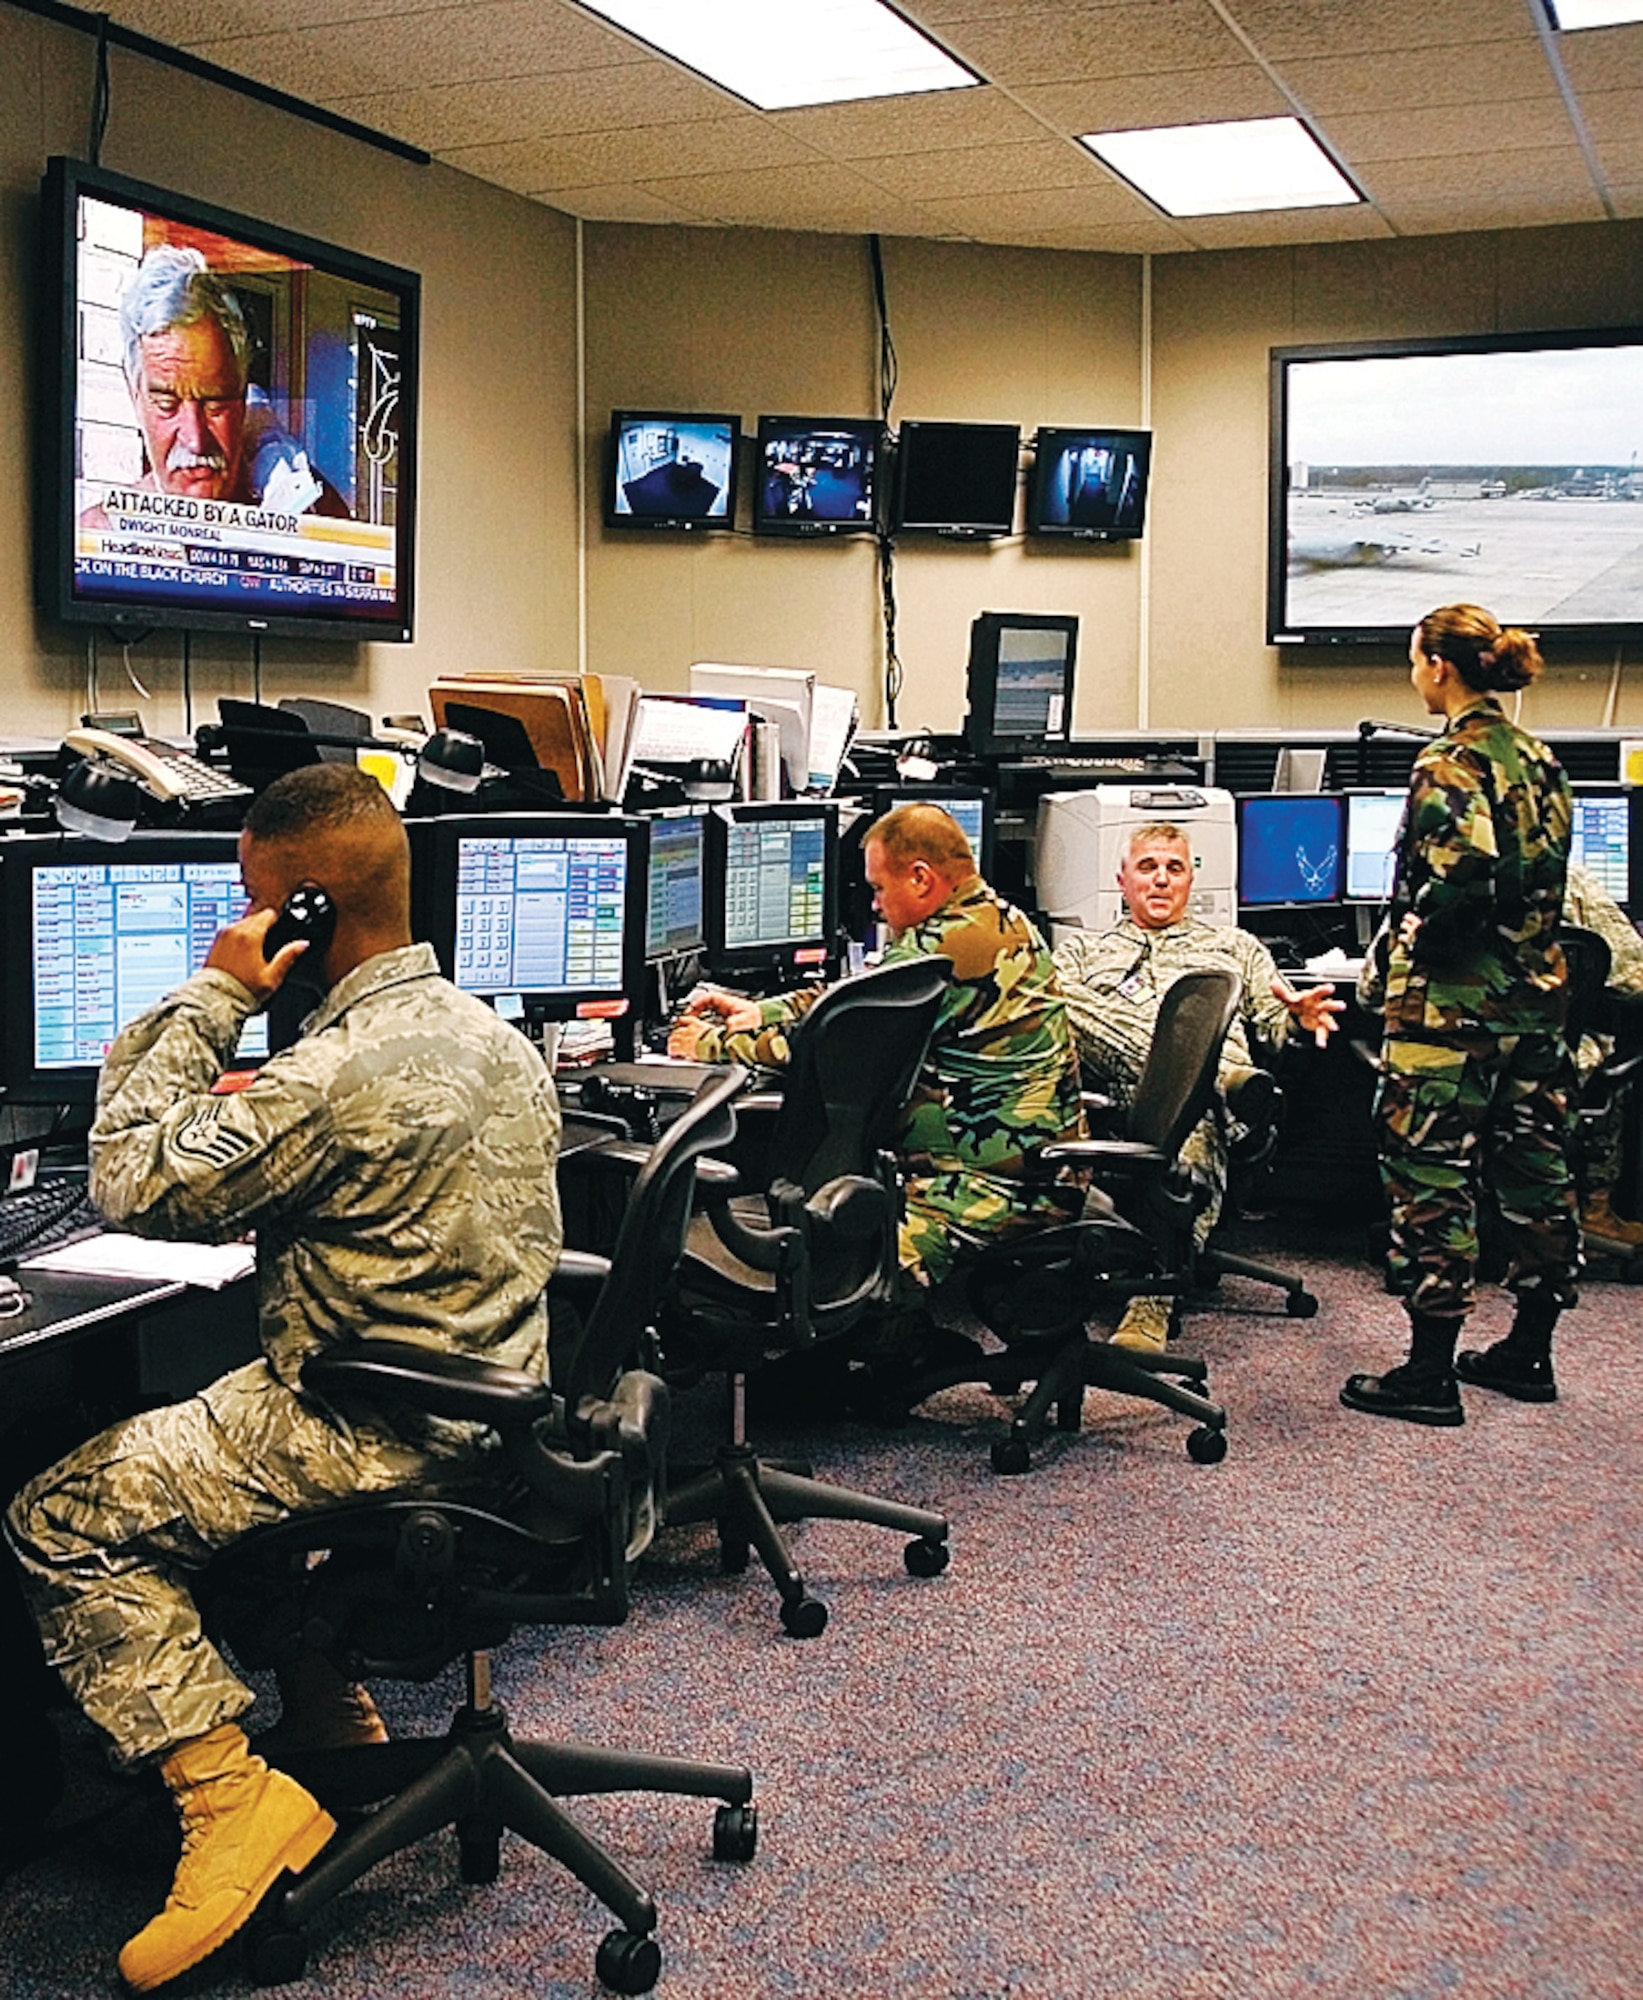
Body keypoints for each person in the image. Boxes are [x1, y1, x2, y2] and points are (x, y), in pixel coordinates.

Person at [5, 765, 561, 1992]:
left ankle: (229, 1797)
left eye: (259, 904)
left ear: (302, 912)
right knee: (188, 1411)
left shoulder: (332, 1073)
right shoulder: (494, 1039)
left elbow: (132, 1180)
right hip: (492, 1403)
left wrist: (213, 989)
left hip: (370, 1418)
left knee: (62, 1512)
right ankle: (326, 1707)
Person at [669, 803, 1086, 1375]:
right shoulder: (992, 919)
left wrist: (710, 1046)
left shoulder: (949, 948)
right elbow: (859, 994)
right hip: (1016, 1160)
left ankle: (891, 1349)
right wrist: (755, 1012)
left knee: (841, 1244)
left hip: (1001, 1186)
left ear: (920, 877)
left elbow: (834, 1047)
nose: (873, 904)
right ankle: (891, 1348)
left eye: (877, 887)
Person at [1341, 603, 1579, 1426]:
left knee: (1430, 1176)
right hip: (1534, 1005)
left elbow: (1461, 876)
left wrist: (1416, 927)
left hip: (1450, 1012)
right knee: (1536, 1170)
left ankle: (1428, 1372)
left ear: (1437, 668)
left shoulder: (1449, 761)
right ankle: (1528, 1350)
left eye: (1414, 659)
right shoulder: (1540, 759)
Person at [1052, 821, 1343, 1351]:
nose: (1161, 880)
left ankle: (1151, 1303)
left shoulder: (1235, 948)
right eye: (1147, 867)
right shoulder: (1080, 954)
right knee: (1054, 999)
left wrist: (1298, 1020)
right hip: (1110, 1095)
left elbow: (1274, 1033)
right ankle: (1214, 1076)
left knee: (1188, 1110)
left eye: (1174, 869)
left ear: (1191, 881)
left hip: (1200, 1114)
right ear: (1122, 879)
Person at [81, 245, 349, 524]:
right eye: (167, 405)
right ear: (134, 397)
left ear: (244, 396)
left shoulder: (312, 513)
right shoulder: (98, 535)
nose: (195, 440)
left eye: (215, 404)